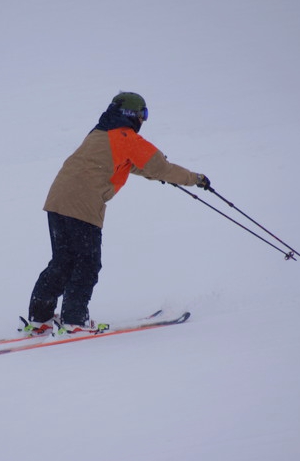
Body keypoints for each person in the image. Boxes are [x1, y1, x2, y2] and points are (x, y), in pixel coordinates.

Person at [25, 91, 210, 337]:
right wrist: (195, 179)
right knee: (87, 263)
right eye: (143, 114)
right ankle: (74, 320)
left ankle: (40, 318)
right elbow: (160, 166)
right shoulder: (126, 136)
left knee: (63, 261)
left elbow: (128, 163)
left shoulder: (99, 133)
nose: (144, 120)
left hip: (58, 200)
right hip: (83, 205)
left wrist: (153, 174)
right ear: (132, 114)